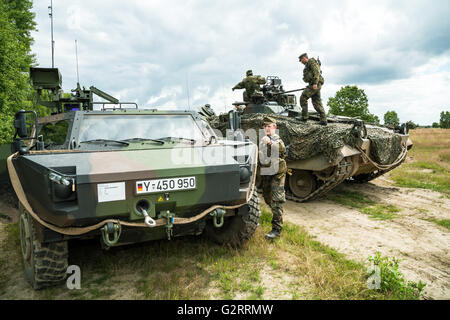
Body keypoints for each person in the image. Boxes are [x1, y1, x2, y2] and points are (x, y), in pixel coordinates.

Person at [257, 116, 287, 240]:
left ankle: (276, 230)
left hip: (277, 174)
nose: (267, 128)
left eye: (269, 126)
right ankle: (276, 215)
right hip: (266, 173)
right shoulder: (263, 140)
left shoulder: (276, 139)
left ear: (275, 127)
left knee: (276, 201)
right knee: (267, 197)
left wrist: (269, 142)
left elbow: (281, 148)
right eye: (265, 126)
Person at [298, 53, 327, 125]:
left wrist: (315, 83)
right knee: (317, 102)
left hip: (315, 84)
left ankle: (304, 117)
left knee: (303, 98)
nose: (301, 62)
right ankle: (323, 120)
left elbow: (316, 72)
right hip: (315, 84)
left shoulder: (311, 62)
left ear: (304, 58)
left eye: (301, 60)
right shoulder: (308, 65)